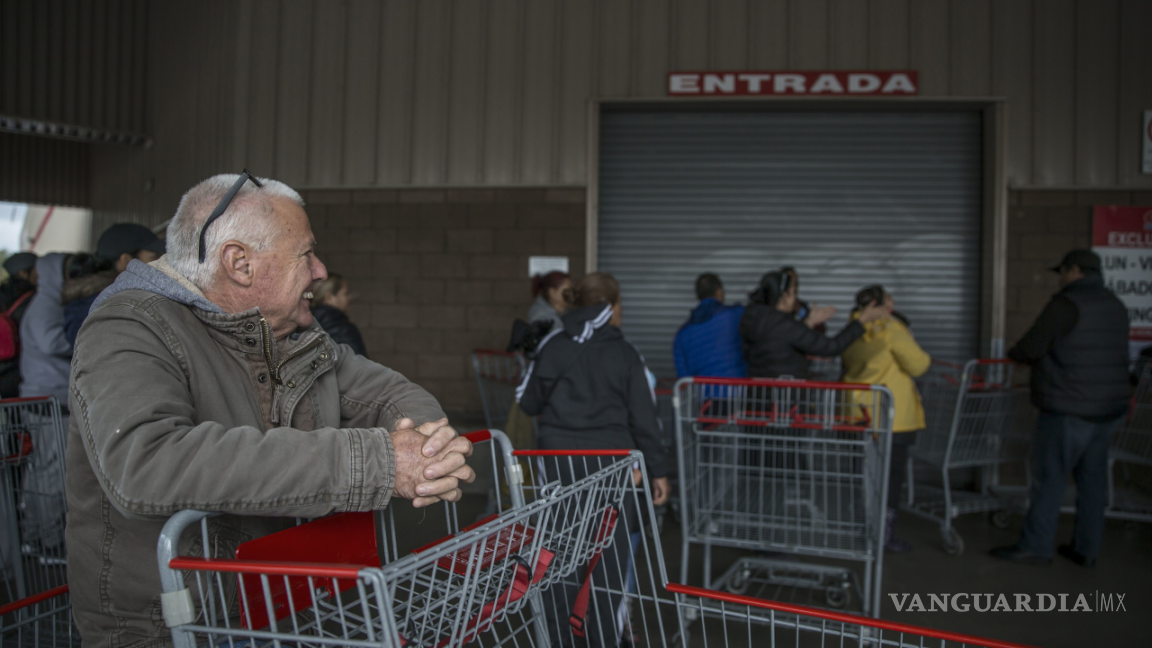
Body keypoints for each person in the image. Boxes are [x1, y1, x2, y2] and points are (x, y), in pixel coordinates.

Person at [65, 173, 475, 647]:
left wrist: (427, 448)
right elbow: (147, 460)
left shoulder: (289, 336)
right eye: (306, 254)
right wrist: (379, 462)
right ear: (239, 263)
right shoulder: (128, 327)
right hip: (174, 627)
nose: (320, 271)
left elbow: (388, 392)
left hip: (270, 607)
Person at [517, 272, 669, 647]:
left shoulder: (553, 345)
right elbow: (645, 419)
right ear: (613, 309)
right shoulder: (626, 352)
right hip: (613, 471)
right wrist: (659, 471)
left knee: (559, 557)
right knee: (610, 563)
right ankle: (603, 639)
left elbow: (528, 401)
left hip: (558, 470)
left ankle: (557, 639)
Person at [990, 250, 1129, 568]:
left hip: (1069, 407)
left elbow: (1030, 347)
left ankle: (1036, 547)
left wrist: (1017, 354)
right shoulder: (1115, 305)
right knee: (1092, 481)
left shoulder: (1066, 305)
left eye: (1062, 272)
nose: (1060, 278)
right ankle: (1086, 549)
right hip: (1108, 409)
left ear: (1075, 270)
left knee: (1050, 478)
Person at [841, 285, 931, 553]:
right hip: (891, 417)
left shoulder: (852, 330)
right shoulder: (890, 329)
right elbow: (919, 364)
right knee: (890, 480)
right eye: (889, 300)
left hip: (857, 414)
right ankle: (884, 535)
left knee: (865, 475)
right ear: (878, 305)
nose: (893, 305)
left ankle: (861, 528)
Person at [741, 270, 888, 379]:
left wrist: (808, 323)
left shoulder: (753, 318)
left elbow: (779, 343)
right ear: (784, 297)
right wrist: (862, 320)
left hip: (759, 395)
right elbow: (831, 347)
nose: (795, 298)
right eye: (793, 292)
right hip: (784, 398)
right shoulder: (784, 324)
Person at [62, 223, 166, 345]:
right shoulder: (94, 308)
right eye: (153, 257)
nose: (161, 263)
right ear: (126, 261)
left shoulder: (101, 299)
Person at [673, 273, 746, 378]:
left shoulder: (682, 335)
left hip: (702, 393)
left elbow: (683, 375)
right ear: (719, 292)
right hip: (737, 391)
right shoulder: (735, 315)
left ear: (698, 295)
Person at [0, 252, 37, 398]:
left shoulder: (4, 296)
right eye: (36, 270)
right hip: (20, 370)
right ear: (23, 273)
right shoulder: (31, 301)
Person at [310, 273, 368, 356]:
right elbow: (360, 366)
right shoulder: (343, 330)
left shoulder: (302, 326)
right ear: (329, 297)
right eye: (345, 293)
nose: (349, 297)